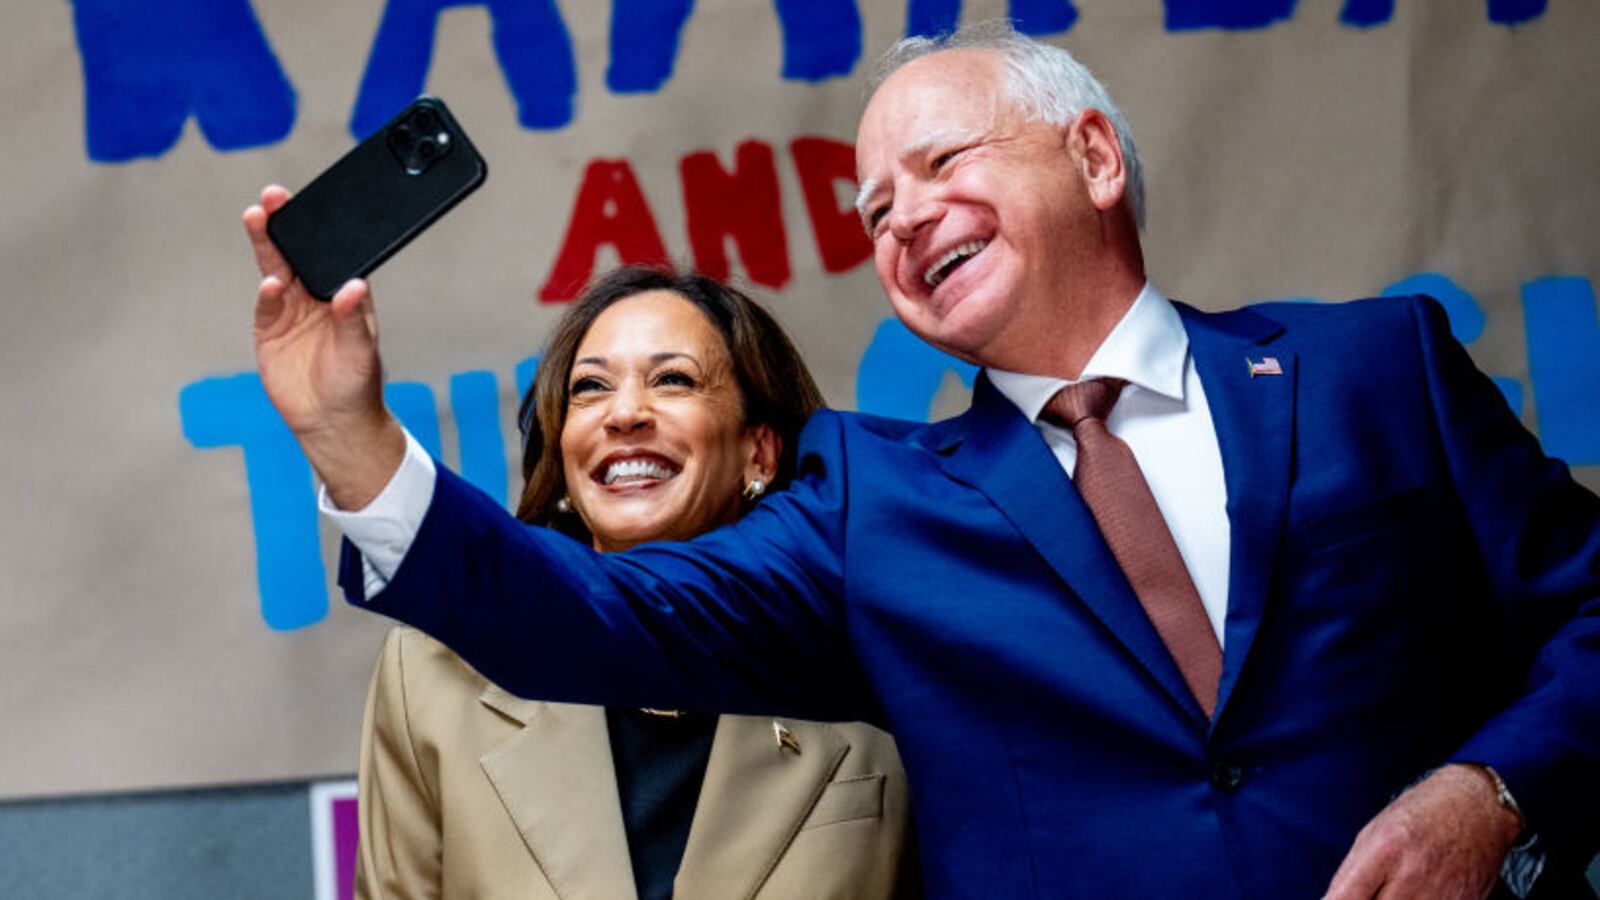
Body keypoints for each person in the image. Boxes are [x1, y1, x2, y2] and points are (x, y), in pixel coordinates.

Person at [247, 23, 1600, 900]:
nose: (901, 223)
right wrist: (345, 434)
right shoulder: (871, 503)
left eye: (940, 163)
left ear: (1092, 154)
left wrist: (1495, 792)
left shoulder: (1379, 370)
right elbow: (586, 618)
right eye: (873, 211)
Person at [347, 267, 915, 899]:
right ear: (563, 456)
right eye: (590, 388)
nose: (624, 413)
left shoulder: (874, 652)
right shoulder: (431, 674)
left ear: (760, 452)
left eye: (672, 379)